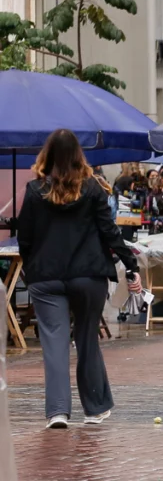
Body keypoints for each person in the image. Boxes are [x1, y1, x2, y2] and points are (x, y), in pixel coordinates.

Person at [18, 130, 143, 429]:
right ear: (78, 155)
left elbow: (25, 237)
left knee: (54, 343)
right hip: (88, 275)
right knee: (87, 339)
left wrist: (31, 267)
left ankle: (57, 412)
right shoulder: (92, 190)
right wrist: (130, 263)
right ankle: (95, 408)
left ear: (47, 155)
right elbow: (109, 232)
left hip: (46, 277)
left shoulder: (35, 190)